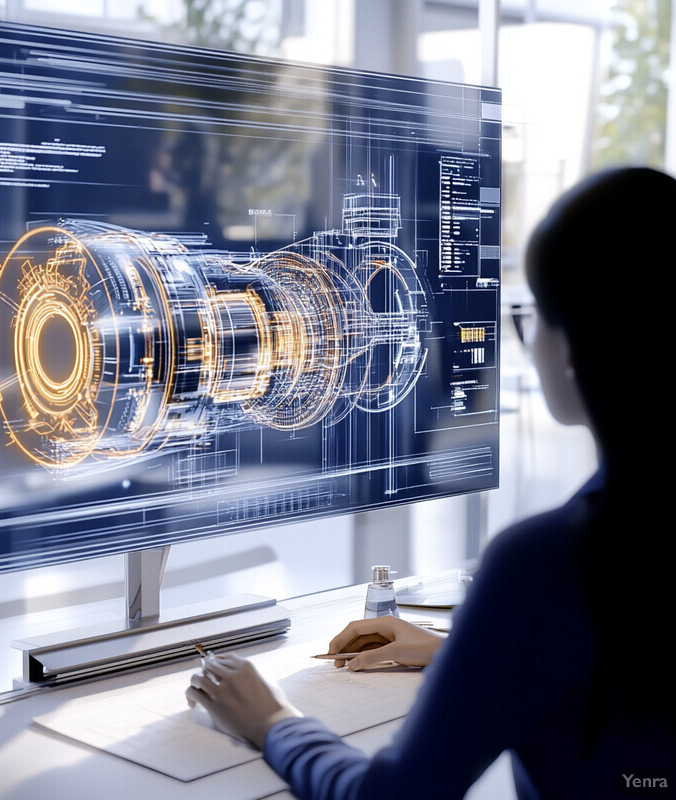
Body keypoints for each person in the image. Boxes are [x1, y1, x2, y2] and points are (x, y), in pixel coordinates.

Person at [185, 167, 676, 799]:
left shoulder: (550, 565)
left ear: (570, 350)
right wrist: (467, 656)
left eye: (529, 321)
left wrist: (270, 719)